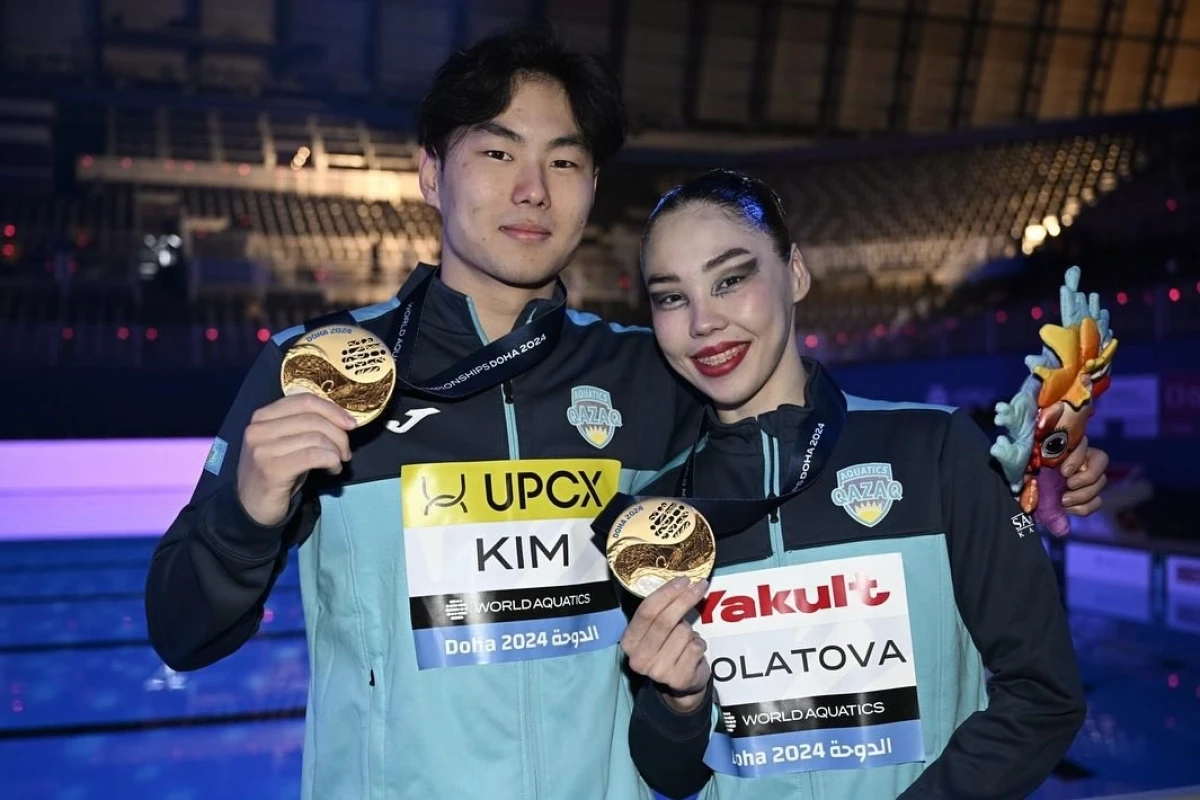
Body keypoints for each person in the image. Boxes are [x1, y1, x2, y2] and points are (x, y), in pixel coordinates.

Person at [143, 29, 1109, 800]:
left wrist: (1022, 476)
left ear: (592, 187)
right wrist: (248, 512)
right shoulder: (321, 374)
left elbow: (802, 445)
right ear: (432, 172)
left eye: (564, 161)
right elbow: (182, 632)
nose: (532, 189)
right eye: (497, 152)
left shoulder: (654, 377)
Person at [620, 169, 1093, 800]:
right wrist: (680, 705)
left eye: (730, 279)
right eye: (671, 297)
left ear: (795, 273)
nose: (703, 321)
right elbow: (670, 774)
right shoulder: (656, 519)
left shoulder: (936, 449)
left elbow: (1044, 696)